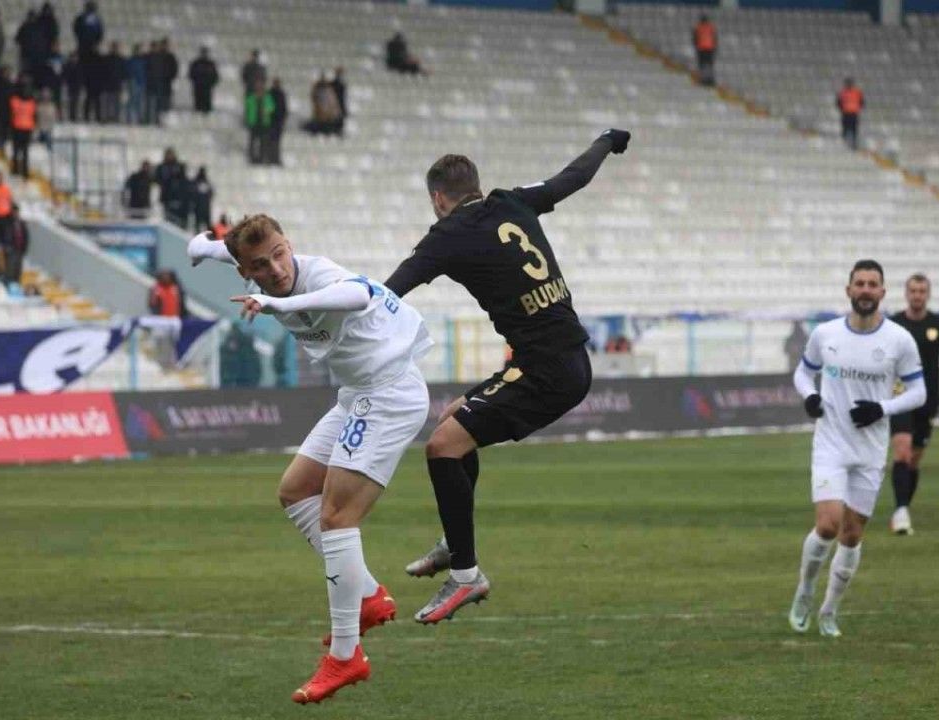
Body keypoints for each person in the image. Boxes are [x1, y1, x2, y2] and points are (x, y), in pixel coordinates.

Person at [385, 128, 631, 623]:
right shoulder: (513, 202)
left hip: (547, 370)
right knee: (455, 425)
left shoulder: (447, 235)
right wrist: (606, 140)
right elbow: (573, 177)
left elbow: (390, 291)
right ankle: (457, 546)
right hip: (560, 360)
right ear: (477, 185)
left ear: (438, 198)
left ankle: (465, 575)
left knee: (441, 447)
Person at [188, 214, 433, 704]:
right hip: (358, 393)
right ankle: (365, 595)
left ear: (289, 244)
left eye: (281, 253)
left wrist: (282, 301)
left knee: (337, 517)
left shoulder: (317, 277)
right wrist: (202, 247)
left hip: (389, 392)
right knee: (295, 490)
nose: (277, 266)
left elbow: (359, 295)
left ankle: (346, 657)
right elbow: (220, 250)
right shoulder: (253, 270)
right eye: (261, 263)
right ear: (246, 271)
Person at [789, 259, 925, 638]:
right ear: (848, 290)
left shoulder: (898, 340)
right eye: (859, 283)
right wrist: (811, 395)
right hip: (831, 444)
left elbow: (919, 392)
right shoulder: (826, 333)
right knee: (828, 525)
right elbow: (802, 372)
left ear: (882, 292)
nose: (866, 290)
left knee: (851, 535)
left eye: (873, 284)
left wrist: (882, 408)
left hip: (869, 450)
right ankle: (805, 591)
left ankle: (830, 610)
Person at [886, 274, 939, 534]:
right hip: (900, 397)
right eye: (913, 291)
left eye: (921, 291)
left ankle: (902, 507)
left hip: (926, 401)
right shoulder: (893, 324)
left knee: (914, 461)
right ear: (906, 294)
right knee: (902, 452)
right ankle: (902, 511)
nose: (917, 295)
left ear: (928, 294)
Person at [9, 84, 37, 177]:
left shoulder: (14, 101)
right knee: (25, 151)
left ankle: (15, 170)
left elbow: (11, 112)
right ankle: (25, 171)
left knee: (16, 150)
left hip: (17, 127)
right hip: (27, 128)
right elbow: (34, 115)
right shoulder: (32, 102)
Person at [244, 78, 274, 165]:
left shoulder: (267, 98)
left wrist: (266, 110)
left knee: (262, 142)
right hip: (254, 122)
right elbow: (248, 109)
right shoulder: (251, 98)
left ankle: (261, 157)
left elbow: (271, 108)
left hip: (264, 122)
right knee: (253, 141)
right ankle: (252, 157)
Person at [3, 205, 29, 285]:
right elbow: (5, 236)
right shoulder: (7, 223)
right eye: (14, 212)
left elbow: (26, 236)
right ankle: (8, 284)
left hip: (20, 249)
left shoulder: (22, 223)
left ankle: (17, 284)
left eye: (17, 212)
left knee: (18, 269)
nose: (15, 214)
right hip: (11, 249)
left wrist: (24, 248)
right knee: (10, 269)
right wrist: (7, 248)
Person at [188, 47, 218, 114]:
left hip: (207, 87)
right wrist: (196, 82)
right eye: (203, 52)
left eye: (205, 52)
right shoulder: (195, 63)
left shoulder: (211, 64)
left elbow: (215, 76)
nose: (204, 54)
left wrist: (211, 84)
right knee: (198, 105)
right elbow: (191, 74)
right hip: (198, 87)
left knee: (207, 107)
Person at [837, 78, 864, 151]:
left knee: (851, 128)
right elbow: (839, 102)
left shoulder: (856, 92)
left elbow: (861, 102)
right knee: (848, 128)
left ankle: (852, 143)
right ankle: (848, 143)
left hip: (851, 112)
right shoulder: (843, 92)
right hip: (848, 112)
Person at [693, 14, 717, 87]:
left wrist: (696, 46)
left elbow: (695, 38)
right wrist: (715, 47)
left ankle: (703, 79)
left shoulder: (698, 27)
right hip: (710, 48)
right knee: (709, 64)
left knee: (702, 64)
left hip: (701, 48)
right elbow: (715, 38)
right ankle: (710, 79)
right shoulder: (711, 27)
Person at [267, 77, 286, 164]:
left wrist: (283, 118)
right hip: (271, 121)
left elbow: (284, 108)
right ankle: (270, 158)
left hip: (278, 121)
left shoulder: (281, 94)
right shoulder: (269, 94)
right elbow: (268, 107)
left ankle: (276, 158)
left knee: (277, 142)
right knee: (270, 141)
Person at [191, 167, 213, 232]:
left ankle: (209, 237)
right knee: (197, 224)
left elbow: (211, 193)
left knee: (207, 224)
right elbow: (192, 194)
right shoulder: (195, 183)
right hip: (198, 207)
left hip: (205, 207)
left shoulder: (207, 182)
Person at [330, 67, 347, 134]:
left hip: (340, 109)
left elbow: (343, 99)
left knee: (339, 127)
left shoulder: (342, 85)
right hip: (333, 108)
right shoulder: (332, 84)